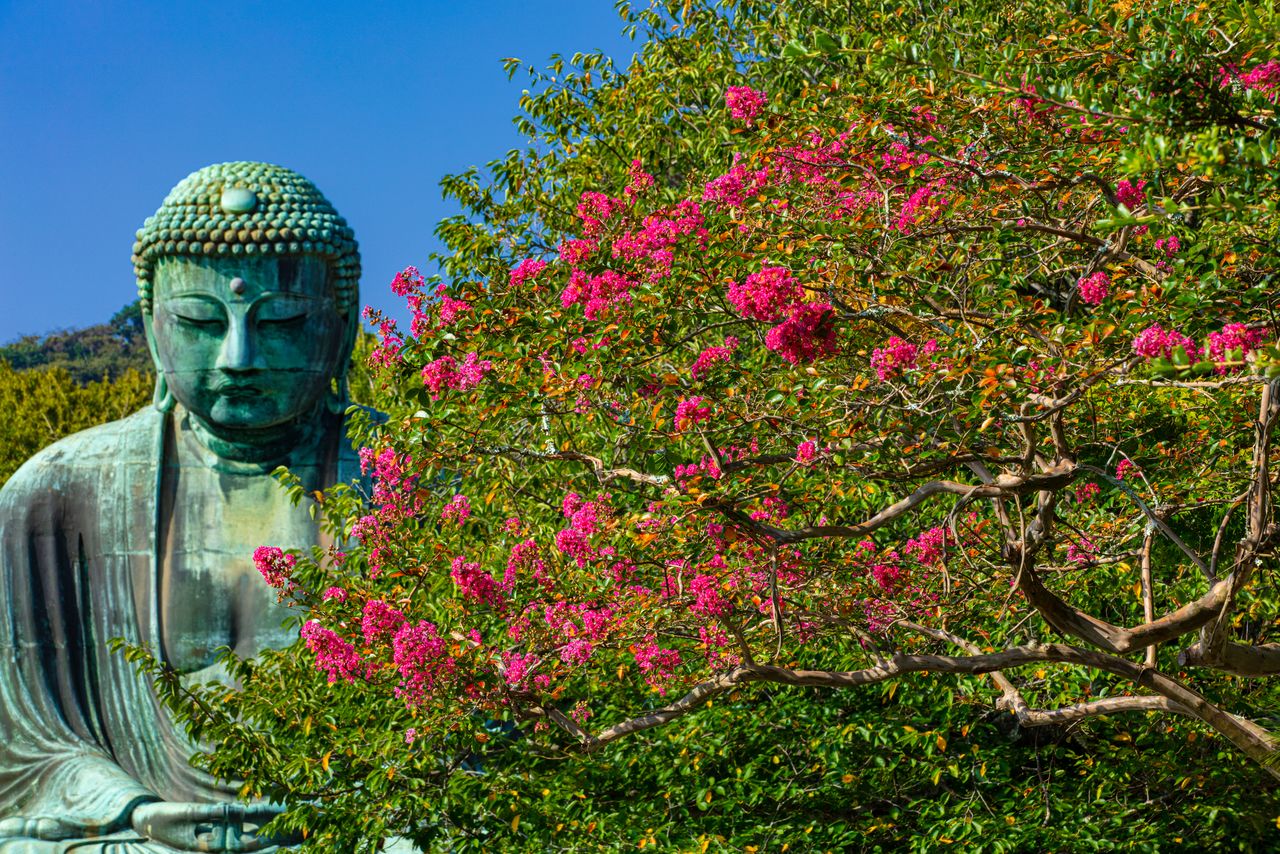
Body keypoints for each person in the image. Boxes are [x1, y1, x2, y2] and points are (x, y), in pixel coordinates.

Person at [0, 162, 362, 852]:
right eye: (199, 321)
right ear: (151, 326)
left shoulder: (414, 482)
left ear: (339, 331)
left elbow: (493, 734)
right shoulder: (55, 494)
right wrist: (130, 808)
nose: (239, 356)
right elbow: (22, 747)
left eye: (281, 321)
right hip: (138, 835)